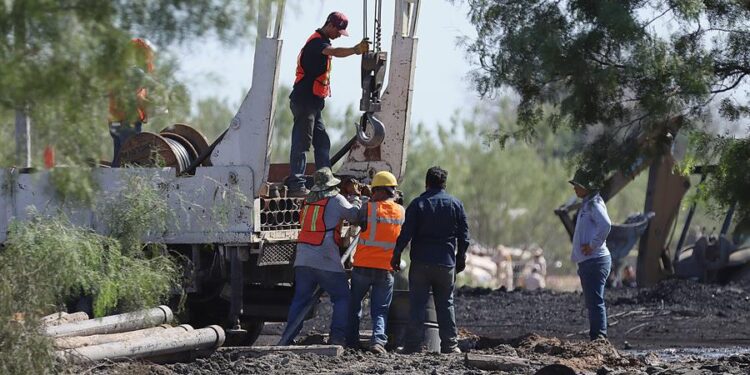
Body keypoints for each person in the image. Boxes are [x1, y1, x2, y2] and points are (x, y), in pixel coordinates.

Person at [285, 12, 371, 197]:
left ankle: (326, 183)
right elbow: (334, 52)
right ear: (330, 25)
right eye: (339, 31)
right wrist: (355, 50)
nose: (340, 34)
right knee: (302, 143)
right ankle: (296, 185)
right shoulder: (317, 43)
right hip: (304, 101)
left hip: (313, 104)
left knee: (322, 143)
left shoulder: (323, 42)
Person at [390, 166, 470, 354]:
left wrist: (396, 254)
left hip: (420, 264)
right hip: (445, 263)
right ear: (444, 184)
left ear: (427, 183)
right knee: (446, 304)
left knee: (417, 304)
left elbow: (405, 234)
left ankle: (412, 346)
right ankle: (450, 346)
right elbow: (464, 237)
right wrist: (460, 258)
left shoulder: (418, 204)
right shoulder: (455, 204)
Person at [281, 167, 361, 345]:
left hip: (303, 257)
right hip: (324, 257)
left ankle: (287, 338)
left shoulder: (308, 200)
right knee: (342, 298)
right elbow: (354, 216)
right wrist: (356, 197)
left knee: (300, 299)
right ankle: (337, 337)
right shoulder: (336, 199)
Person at [346, 171, 405, 354]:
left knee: (354, 305)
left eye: (373, 191)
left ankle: (351, 341)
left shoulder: (369, 208)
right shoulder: (401, 211)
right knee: (380, 310)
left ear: (379, 190)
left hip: (363, 267)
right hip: (385, 270)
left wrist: (358, 198)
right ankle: (378, 342)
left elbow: (354, 218)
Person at [569, 168, 612, 341]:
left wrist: (593, 245)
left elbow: (606, 225)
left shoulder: (594, 203)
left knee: (595, 301)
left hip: (596, 260)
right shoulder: (588, 203)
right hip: (590, 261)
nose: (574, 188)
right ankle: (597, 337)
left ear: (586, 187)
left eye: (577, 185)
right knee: (593, 301)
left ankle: (599, 338)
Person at [109, 38, 157, 166]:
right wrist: (155, 106)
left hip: (114, 122)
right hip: (128, 123)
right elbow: (142, 95)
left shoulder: (120, 72)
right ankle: (127, 186)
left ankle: (112, 185)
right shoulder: (136, 73)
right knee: (132, 161)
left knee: (119, 159)